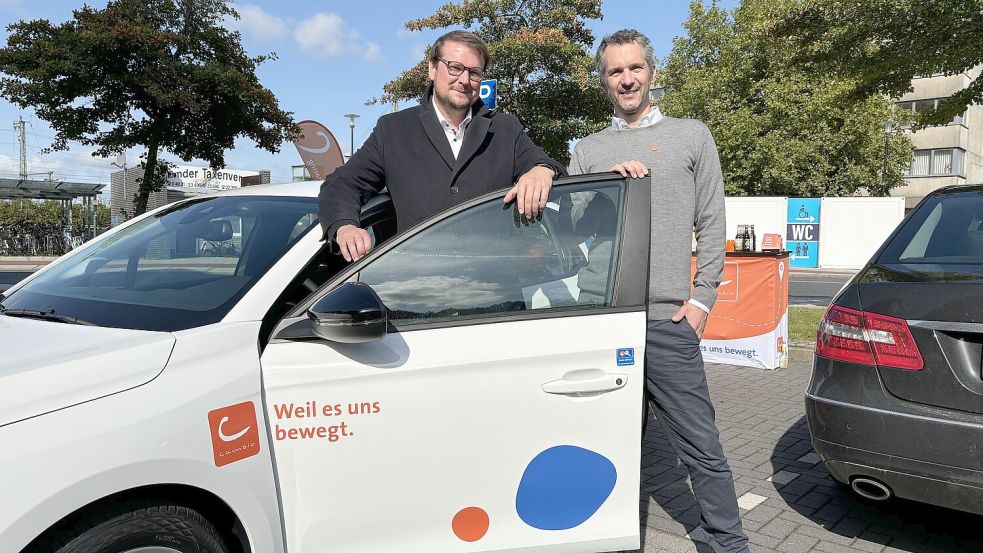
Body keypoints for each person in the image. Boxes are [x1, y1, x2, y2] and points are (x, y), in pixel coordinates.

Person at [568, 29, 749, 553]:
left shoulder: (692, 136)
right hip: (602, 320)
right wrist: (604, 181)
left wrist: (702, 300)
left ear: (652, 72)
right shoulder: (588, 149)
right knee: (601, 443)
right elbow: (572, 228)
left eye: (634, 68)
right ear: (603, 80)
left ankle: (728, 543)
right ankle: (602, 535)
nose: (626, 79)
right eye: (614, 71)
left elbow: (712, 221)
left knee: (701, 447)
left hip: (667, 322)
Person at [318, 30, 565, 262]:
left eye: (475, 72)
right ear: (432, 69)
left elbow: (550, 166)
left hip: (494, 293)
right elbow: (342, 184)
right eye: (455, 68)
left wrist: (542, 170)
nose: (464, 80)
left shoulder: (505, 129)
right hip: (416, 293)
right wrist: (345, 226)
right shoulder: (393, 130)